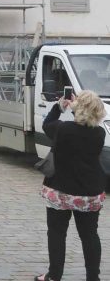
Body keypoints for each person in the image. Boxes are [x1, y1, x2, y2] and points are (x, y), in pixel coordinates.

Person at [36, 90, 107, 281]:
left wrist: (60, 107)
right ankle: (93, 277)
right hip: (89, 194)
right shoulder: (99, 134)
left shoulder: (63, 129)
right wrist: (79, 108)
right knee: (90, 236)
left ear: (78, 108)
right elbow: (85, 126)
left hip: (61, 192)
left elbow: (47, 125)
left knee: (57, 234)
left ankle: (54, 275)